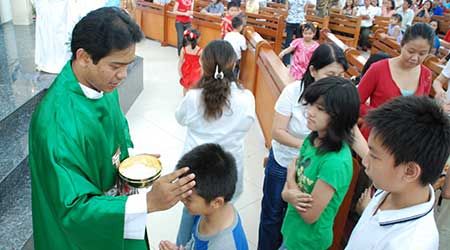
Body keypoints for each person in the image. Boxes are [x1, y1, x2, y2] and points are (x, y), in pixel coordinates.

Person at [28, 7, 196, 250]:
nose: (123, 75)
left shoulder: (102, 86)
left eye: (128, 64)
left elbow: (115, 139)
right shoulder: (56, 124)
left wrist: (131, 166)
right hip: (81, 236)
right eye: (116, 65)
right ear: (84, 57)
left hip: (115, 211)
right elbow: (72, 209)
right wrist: (148, 202)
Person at [258, 43, 350, 250]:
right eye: (331, 74)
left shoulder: (338, 103)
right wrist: (310, 147)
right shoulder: (293, 92)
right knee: (272, 215)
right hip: (284, 160)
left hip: (311, 168)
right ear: (313, 71)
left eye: (341, 75)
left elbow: (350, 131)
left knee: (293, 216)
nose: (336, 80)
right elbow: (277, 132)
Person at [175, 40, 255, 246]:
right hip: (227, 171)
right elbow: (248, 125)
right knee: (220, 208)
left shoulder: (193, 97)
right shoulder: (246, 98)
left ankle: (183, 244)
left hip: (194, 171)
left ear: (203, 65)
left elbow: (180, 118)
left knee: (190, 207)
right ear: (233, 65)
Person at [345, 96, 450, 249]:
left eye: (373, 156)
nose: (365, 161)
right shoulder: (395, 185)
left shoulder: (411, 243)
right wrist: (368, 210)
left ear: (409, 171)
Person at [280, 76, 360, 250]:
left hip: (308, 243)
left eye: (320, 108)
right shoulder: (312, 138)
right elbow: (292, 190)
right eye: (311, 104)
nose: (310, 112)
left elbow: (309, 214)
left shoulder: (335, 162)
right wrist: (288, 193)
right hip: (292, 232)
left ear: (340, 116)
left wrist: (289, 183)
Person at [159, 144, 249, 250]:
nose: (182, 199)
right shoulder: (209, 210)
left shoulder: (224, 246)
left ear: (216, 202)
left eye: (188, 198)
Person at [357, 22, 433, 139]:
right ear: (402, 44)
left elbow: (421, 110)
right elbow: (356, 102)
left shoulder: (426, 75)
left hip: (404, 138)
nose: (415, 58)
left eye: (422, 54)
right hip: (375, 135)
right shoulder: (378, 69)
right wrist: (382, 115)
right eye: (411, 51)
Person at [282, 0, 316, 65]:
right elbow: (305, 10)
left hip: (290, 20)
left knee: (288, 41)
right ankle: (298, 61)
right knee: (300, 42)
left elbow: (287, 8)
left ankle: (286, 61)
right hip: (300, 21)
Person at [179, 28, 202, 94]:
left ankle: (185, 99)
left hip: (185, 69)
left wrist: (180, 72)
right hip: (196, 71)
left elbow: (180, 61)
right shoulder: (200, 51)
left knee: (185, 87)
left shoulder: (184, 49)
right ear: (196, 39)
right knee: (195, 87)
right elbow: (202, 64)